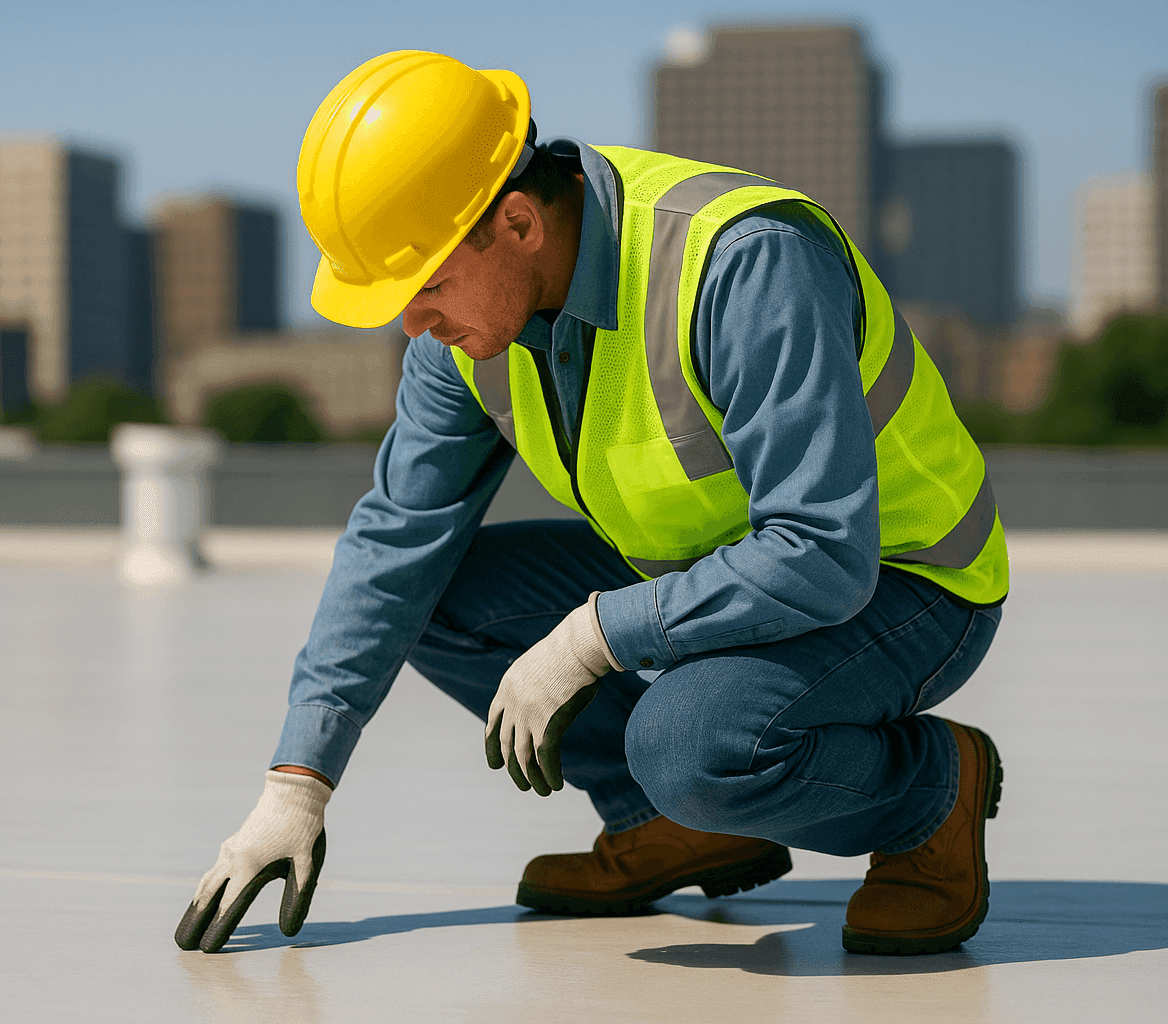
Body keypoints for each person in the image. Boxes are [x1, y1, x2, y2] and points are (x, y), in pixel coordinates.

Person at [175, 50, 1009, 957]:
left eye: (426, 286)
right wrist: (298, 782)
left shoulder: (741, 263)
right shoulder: (465, 338)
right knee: (434, 597)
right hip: (706, 570)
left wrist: (593, 638)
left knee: (690, 744)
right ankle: (675, 825)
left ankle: (930, 794)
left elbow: (823, 552)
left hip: (905, 581)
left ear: (519, 222)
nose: (413, 324)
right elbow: (394, 543)